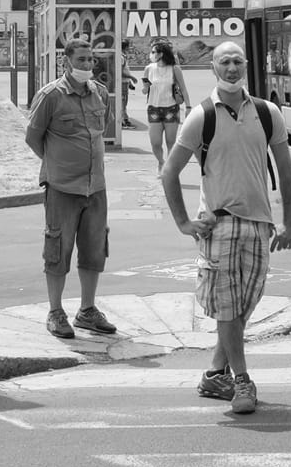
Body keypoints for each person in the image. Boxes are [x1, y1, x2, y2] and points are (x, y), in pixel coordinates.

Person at [160, 40, 291, 415]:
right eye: (224, 62)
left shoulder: (268, 113)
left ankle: (214, 373)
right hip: (217, 226)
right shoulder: (201, 115)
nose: (232, 68)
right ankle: (242, 380)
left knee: (242, 306)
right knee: (227, 308)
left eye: (237, 61)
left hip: (259, 225)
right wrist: (184, 222)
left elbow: (286, 170)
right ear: (213, 69)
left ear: (246, 65)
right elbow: (169, 172)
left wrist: (290, 223)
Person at [24, 40, 119, 340]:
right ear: (66, 62)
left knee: (94, 251)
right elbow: (33, 137)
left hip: (96, 187)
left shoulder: (100, 93)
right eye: (81, 59)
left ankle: (87, 311)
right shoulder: (50, 96)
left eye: (91, 60)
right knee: (57, 251)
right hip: (62, 187)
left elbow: (105, 127)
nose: (87, 65)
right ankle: (56, 312)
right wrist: (56, 163)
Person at [140, 40, 190, 167]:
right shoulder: (148, 69)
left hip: (171, 108)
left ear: (161, 54)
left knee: (170, 141)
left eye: (153, 52)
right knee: (155, 142)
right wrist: (145, 88)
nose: (151, 55)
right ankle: (161, 162)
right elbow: (145, 91)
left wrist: (188, 106)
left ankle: (169, 167)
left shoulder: (174, 69)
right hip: (153, 109)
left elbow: (183, 88)